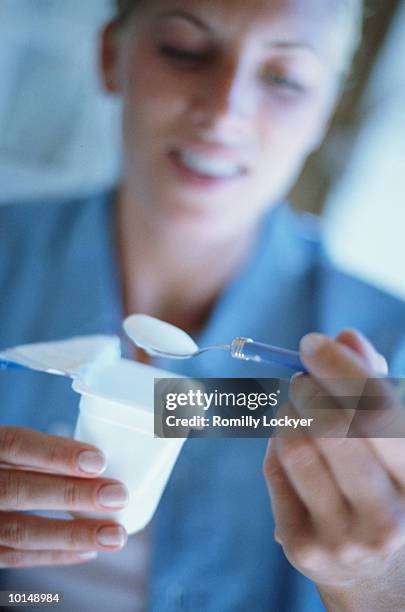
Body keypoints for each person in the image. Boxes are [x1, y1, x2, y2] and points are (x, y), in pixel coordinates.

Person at [1, 0, 405, 610]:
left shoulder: (391, 355)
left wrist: (378, 586)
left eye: (284, 80)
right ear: (111, 56)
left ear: (324, 111)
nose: (222, 112)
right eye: (185, 51)